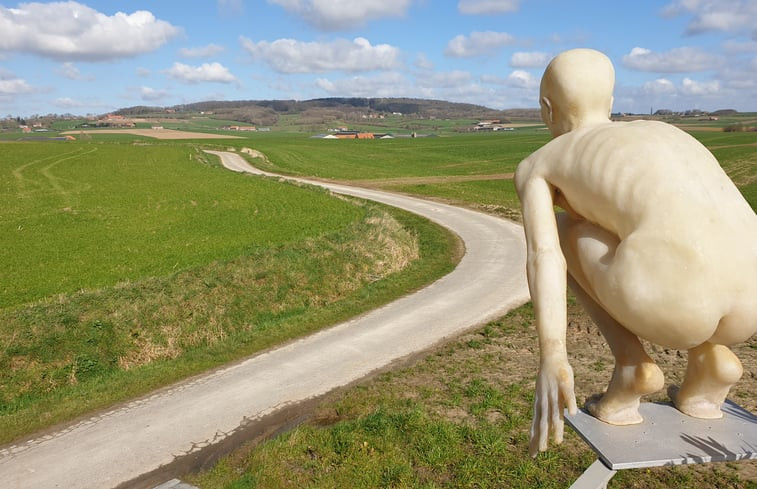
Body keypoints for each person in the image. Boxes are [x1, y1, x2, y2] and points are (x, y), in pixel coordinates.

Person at [514, 48, 757, 457]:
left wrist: (553, 354)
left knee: (561, 229)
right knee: (660, 225)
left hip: (676, 303)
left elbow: (544, 257)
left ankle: (632, 367)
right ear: (610, 104)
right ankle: (713, 361)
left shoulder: (541, 162)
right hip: (751, 293)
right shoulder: (666, 132)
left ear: (546, 109)